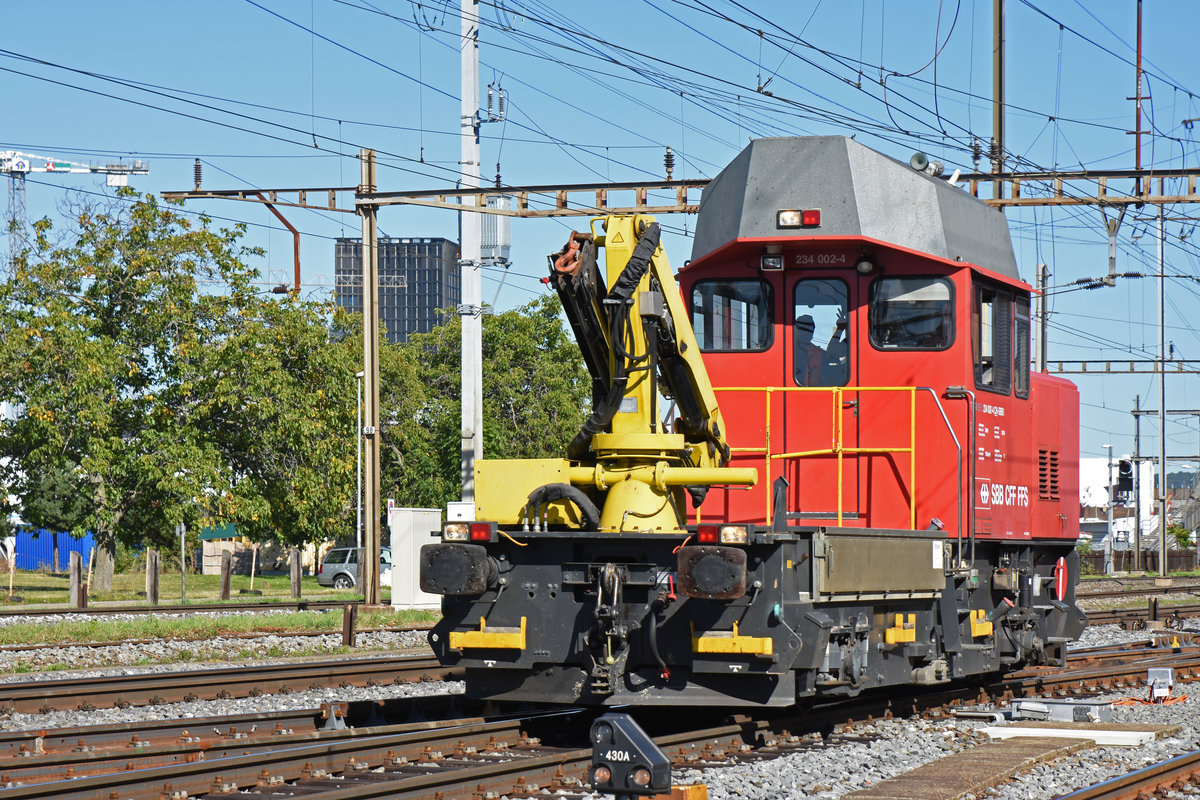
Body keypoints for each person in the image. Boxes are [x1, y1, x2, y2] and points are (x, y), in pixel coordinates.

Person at [793, 315, 824, 386]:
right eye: (802, 329)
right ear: (795, 330)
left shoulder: (820, 354)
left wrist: (839, 330)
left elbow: (833, 353)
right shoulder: (785, 352)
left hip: (814, 394)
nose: (805, 333)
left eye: (809, 331)